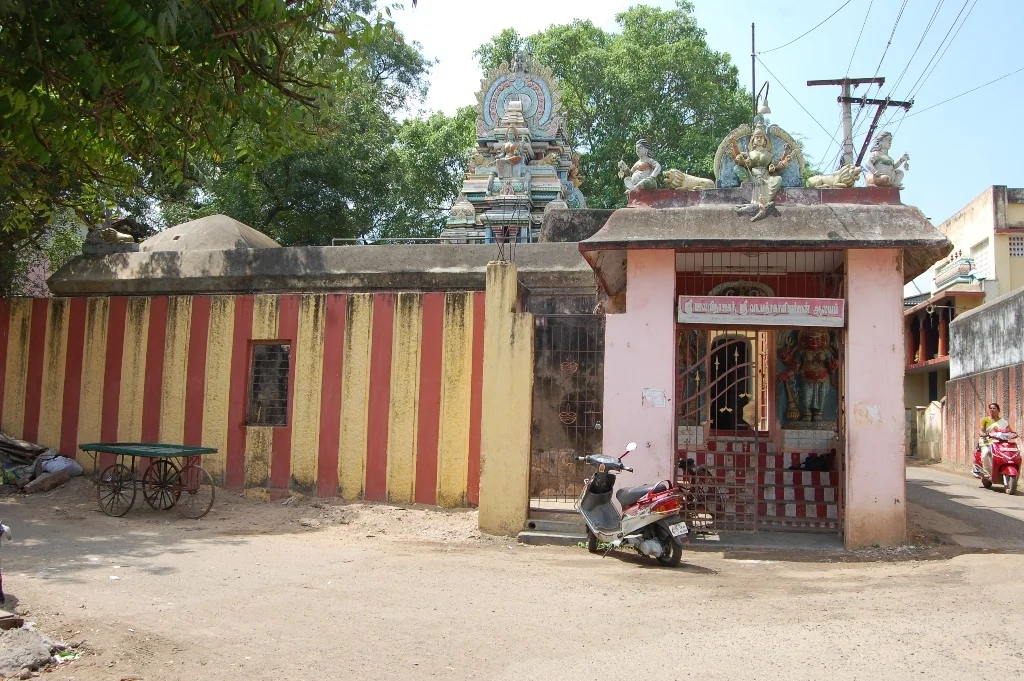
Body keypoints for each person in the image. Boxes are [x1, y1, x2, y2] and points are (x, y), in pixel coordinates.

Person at [976, 403, 1002, 477]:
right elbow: (981, 430)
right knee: (986, 452)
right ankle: (987, 472)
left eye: (994, 408)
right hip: (987, 441)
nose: (992, 410)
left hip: (999, 442)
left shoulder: (1003, 421)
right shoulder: (985, 419)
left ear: (998, 410)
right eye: (991, 408)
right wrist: (982, 434)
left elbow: (1008, 430)